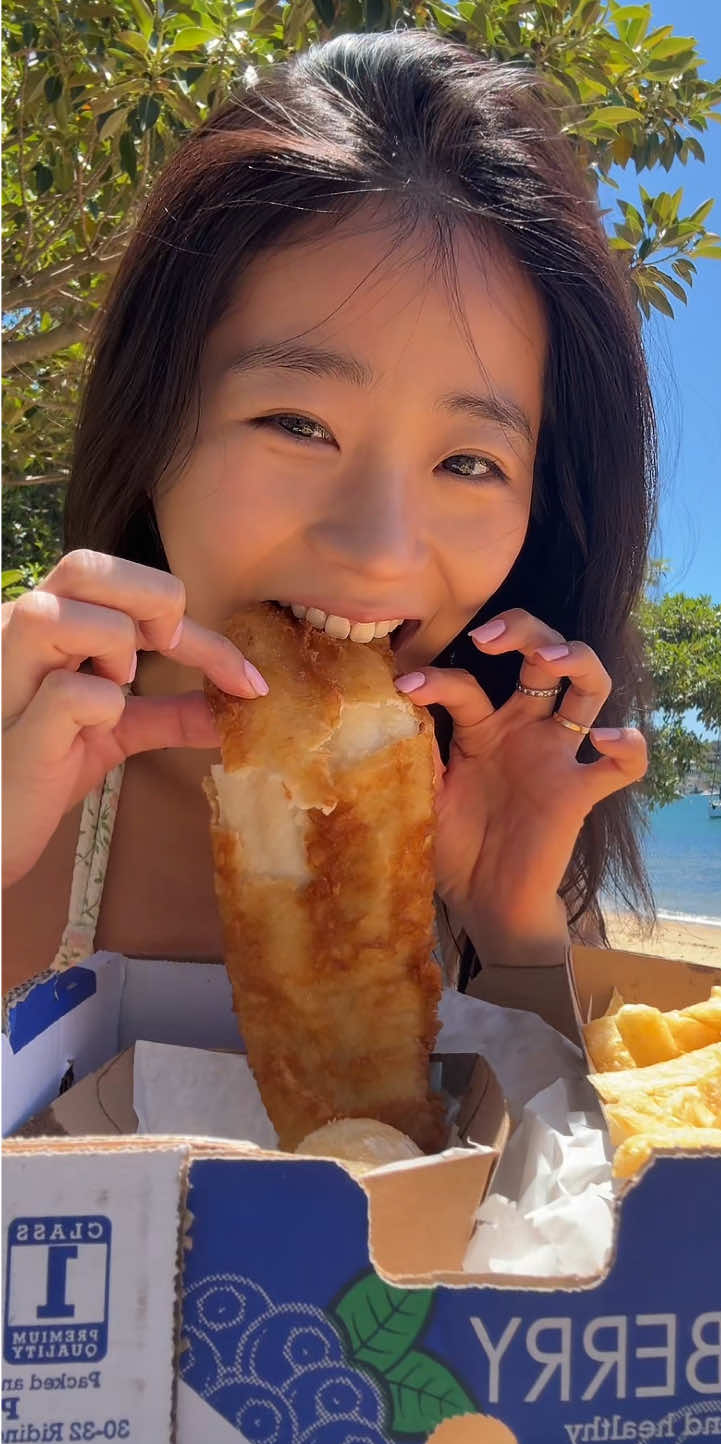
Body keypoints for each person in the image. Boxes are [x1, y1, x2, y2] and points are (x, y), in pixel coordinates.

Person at [2, 27, 658, 1010]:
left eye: (469, 462)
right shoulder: (15, 753)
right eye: (297, 424)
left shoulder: (510, 810)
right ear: (152, 421)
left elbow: (571, 1165)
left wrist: (513, 931)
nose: (378, 550)